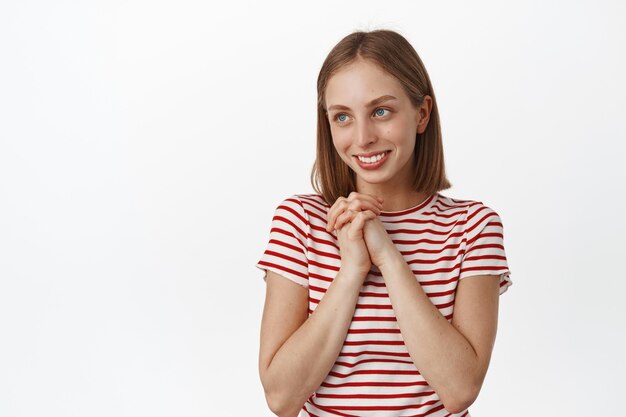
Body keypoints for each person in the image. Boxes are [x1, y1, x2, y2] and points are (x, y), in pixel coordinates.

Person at [255, 29, 512, 417]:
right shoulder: (300, 221)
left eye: (380, 111)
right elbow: (281, 396)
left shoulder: (473, 227)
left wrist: (389, 257)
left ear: (422, 113)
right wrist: (352, 270)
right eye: (342, 117)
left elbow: (460, 388)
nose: (363, 137)